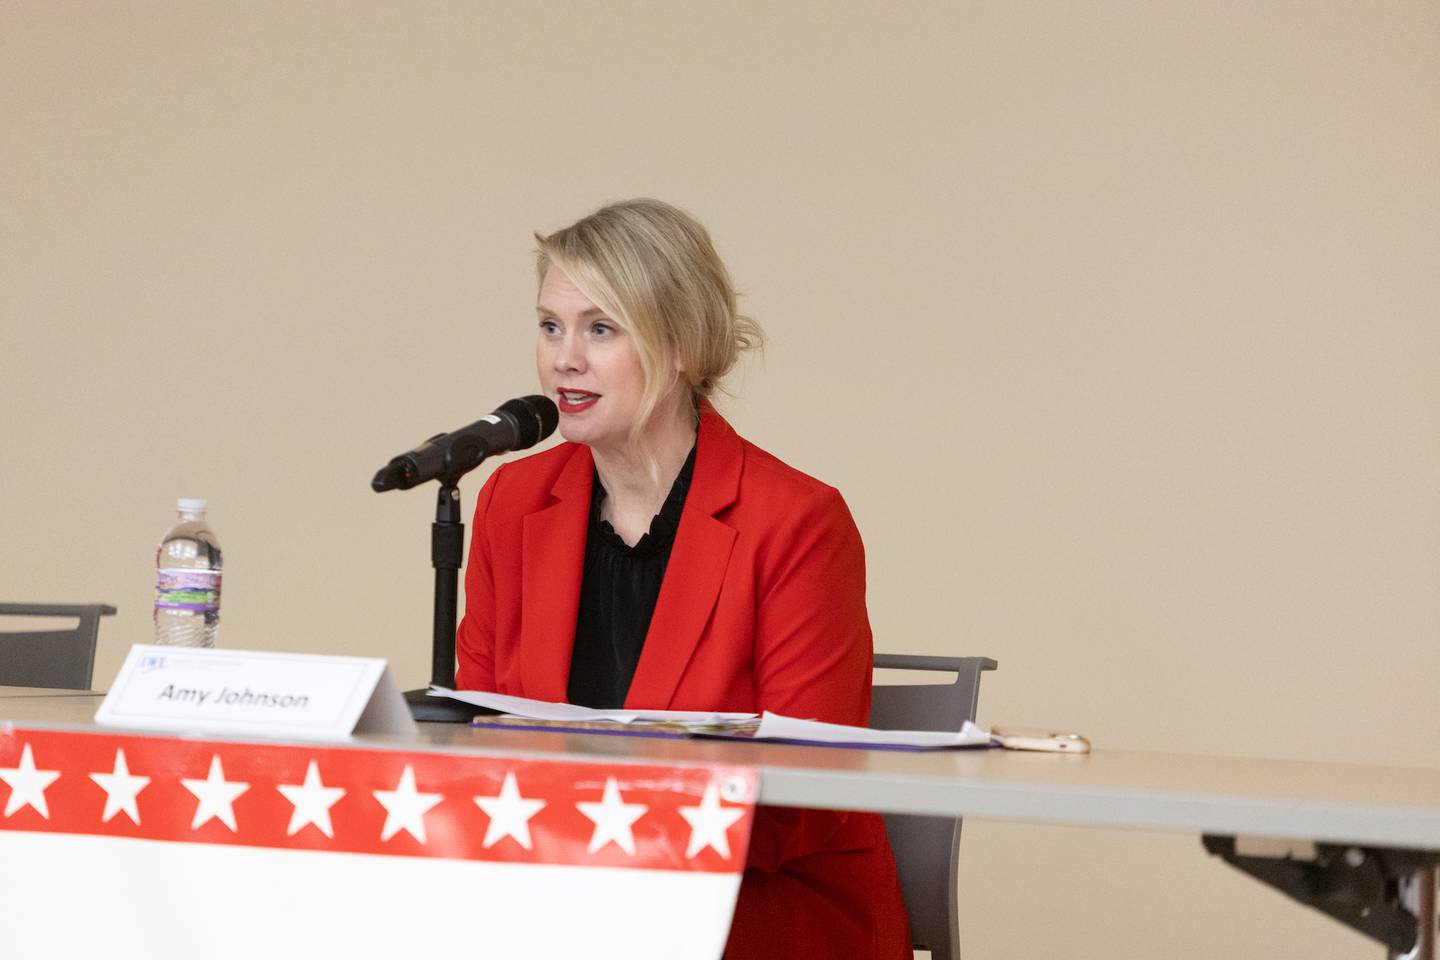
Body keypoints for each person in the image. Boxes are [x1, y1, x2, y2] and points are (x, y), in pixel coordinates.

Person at [454, 198, 910, 959]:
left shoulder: (796, 521)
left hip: (755, 908)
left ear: (681, 348)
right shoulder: (513, 502)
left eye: (601, 329)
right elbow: (480, 736)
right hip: (562, 899)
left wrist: (610, 855)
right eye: (550, 325)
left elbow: (808, 794)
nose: (564, 358)